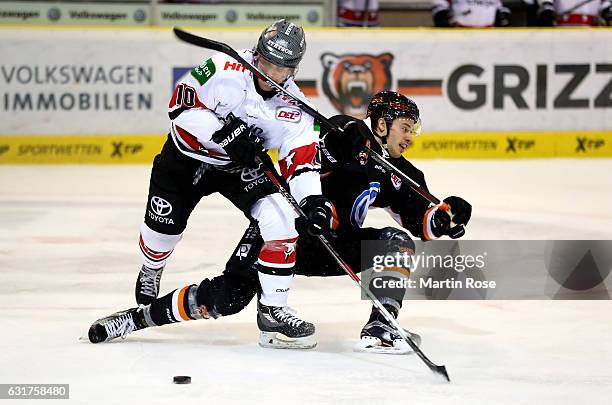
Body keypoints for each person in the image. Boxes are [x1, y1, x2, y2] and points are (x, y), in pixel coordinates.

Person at [88, 91, 472, 353]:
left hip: (330, 247)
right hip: (285, 233)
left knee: (395, 242)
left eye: (414, 130)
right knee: (227, 298)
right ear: (383, 124)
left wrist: (448, 217)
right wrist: (342, 131)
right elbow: (317, 141)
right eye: (406, 127)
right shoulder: (345, 138)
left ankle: (380, 329)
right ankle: (137, 318)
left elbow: (423, 221)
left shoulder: (399, 172)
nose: (411, 137)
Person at [89, 19, 334, 347]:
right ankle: (152, 265)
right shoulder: (221, 67)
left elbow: (301, 160)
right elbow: (180, 106)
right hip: (185, 158)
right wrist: (225, 133)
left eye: (280, 68)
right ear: (257, 53)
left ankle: (274, 310)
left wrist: (311, 200)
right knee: (162, 232)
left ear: (293, 70)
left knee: (282, 217)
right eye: (265, 62)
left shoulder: (296, 108)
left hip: (235, 169)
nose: (269, 73)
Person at [528, 0, 611, 26]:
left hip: (594, 33)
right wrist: (547, 13)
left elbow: (606, 5)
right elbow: (546, 6)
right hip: (562, 31)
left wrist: (608, 13)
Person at [432, 0, 512, 27]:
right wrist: (441, 15)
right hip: (459, 34)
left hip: (488, 35)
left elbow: (499, 7)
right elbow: (439, 7)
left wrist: (504, 15)